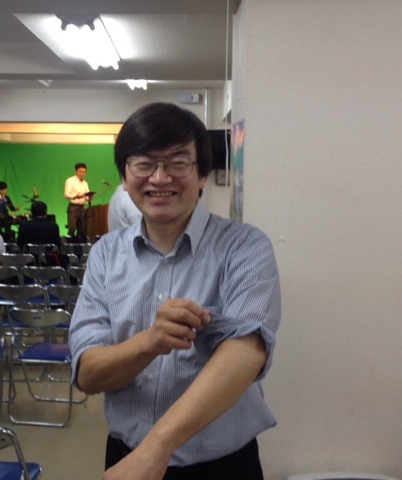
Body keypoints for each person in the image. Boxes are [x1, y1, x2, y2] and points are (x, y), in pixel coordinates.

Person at [69, 102, 281, 480]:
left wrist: (156, 450)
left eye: (178, 162)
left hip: (223, 468)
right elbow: (88, 373)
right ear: (124, 177)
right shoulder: (105, 254)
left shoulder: (245, 247)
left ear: (202, 176)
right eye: (143, 163)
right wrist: (151, 341)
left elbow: (247, 353)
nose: (160, 177)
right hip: (126, 456)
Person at [64, 163, 92, 241]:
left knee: (82, 229)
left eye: (84, 172)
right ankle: (69, 245)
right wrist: (76, 196)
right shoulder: (70, 181)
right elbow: (66, 194)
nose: (82, 173)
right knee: (72, 228)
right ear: (76, 171)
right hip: (73, 207)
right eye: (80, 171)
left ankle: (80, 246)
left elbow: (87, 195)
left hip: (82, 207)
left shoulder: (85, 183)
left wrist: (89, 197)